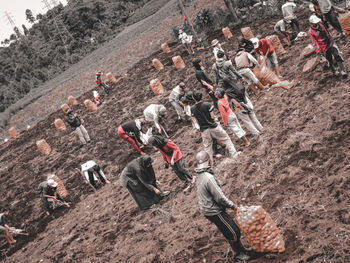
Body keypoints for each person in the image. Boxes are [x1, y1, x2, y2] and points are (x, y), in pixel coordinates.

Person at [194, 151, 251, 261]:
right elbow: (219, 197)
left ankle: (242, 249)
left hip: (209, 208)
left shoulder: (200, 175)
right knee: (232, 231)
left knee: (231, 228)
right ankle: (238, 254)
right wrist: (232, 205)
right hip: (213, 211)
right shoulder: (208, 178)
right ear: (209, 161)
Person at [190, 90, 239, 163]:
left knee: (208, 148)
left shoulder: (192, 108)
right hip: (213, 126)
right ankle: (234, 154)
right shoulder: (207, 104)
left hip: (204, 129)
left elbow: (196, 120)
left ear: (194, 98)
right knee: (226, 139)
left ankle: (209, 165)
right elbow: (212, 116)